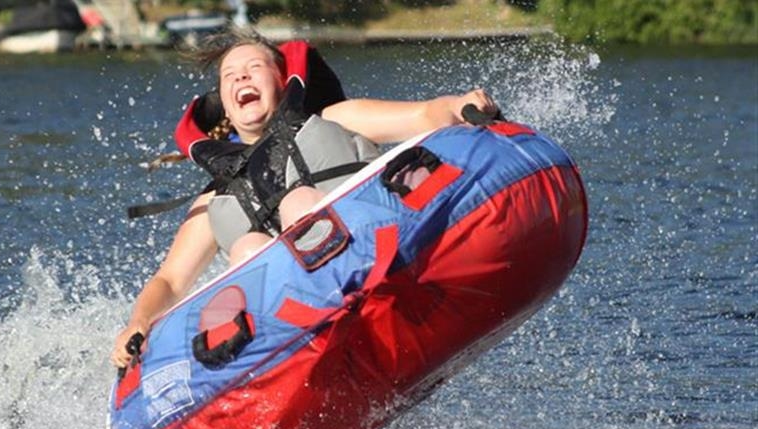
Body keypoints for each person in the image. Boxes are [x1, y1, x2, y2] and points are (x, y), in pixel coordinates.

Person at [111, 29, 497, 369]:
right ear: (225, 107)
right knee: (247, 247)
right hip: (296, 327)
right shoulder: (218, 197)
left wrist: (459, 104)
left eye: (254, 67)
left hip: (387, 258)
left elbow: (426, 115)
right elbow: (170, 281)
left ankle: (351, 296)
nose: (241, 76)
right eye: (230, 75)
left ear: (282, 80)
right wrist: (139, 321)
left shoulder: (334, 119)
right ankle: (301, 341)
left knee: (298, 203)